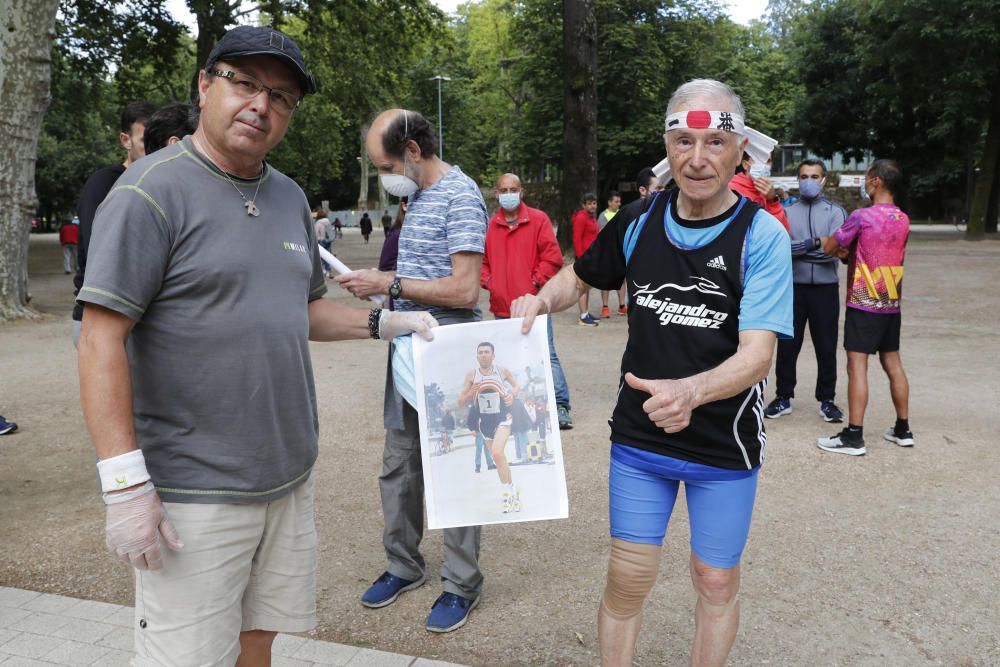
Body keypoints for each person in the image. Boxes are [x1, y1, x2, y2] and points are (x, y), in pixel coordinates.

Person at [76, 27, 435, 666]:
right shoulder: (148, 193)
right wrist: (125, 486)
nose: (261, 105)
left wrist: (388, 323)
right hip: (193, 491)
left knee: (258, 641)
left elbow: (301, 311)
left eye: (281, 96)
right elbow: (100, 338)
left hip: (286, 476)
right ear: (205, 85)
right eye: (245, 83)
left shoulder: (288, 197)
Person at [511, 78, 792, 666]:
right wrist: (541, 299)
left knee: (715, 581)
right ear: (666, 145)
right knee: (628, 580)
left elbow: (758, 354)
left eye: (714, 142)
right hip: (640, 441)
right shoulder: (639, 219)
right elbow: (582, 275)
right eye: (683, 141)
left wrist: (691, 391)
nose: (697, 159)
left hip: (723, 443)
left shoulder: (761, 235)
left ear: (740, 149)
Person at [336, 108, 488, 633]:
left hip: (448, 350)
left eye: (384, 165)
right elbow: (420, 272)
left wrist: (389, 285)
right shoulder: (417, 196)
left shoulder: (462, 195)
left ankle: (461, 582)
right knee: (398, 465)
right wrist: (378, 279)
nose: (383, 176)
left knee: (454, 469)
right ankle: (404, 565)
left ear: (414, 152)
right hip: (408, 345)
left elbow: (465, 289)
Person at [817, 159, 913, 456]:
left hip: (864, 300)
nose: (865, 182)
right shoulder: (904, 219)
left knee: (857, 366)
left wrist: (830, 244)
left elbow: (831, 247)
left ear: (877, 182)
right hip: (890, 302)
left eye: (868, 177)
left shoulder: (861, 216)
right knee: (893, 364)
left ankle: (854, 435)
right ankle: (903, 428)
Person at [482, 172, 573, 429]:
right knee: (508, 359)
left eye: (513, 189)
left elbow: (552, 257)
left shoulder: (538, 220)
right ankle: (517, 410)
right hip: (502, 307)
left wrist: (534, 284)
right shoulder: (490, 225)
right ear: (496, 194)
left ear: (522, 192)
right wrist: (491, 283)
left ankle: (560, 404)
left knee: (546, 354)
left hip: (533, 304)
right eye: (503, 190)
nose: (508, 194)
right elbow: (482, 263)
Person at [764, 159, 847, 423]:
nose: (808, 180)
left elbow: (836, 251)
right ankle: (783, 397)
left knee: (826, 346)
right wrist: (815, 244)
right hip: (792, 289)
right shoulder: (786, 212)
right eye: (803, 176)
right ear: (797, 179)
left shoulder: (836, 212)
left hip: (825, 290)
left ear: (824, 179)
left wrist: (802, 251)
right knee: (788, 345)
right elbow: (781, 250)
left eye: (814, 176)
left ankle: (827, 400)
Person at [72, 101, 157, 346]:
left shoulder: (164, 183)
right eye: (144, 142)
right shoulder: (103, 184)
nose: (153, 151)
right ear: (125, 140)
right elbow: (99, 252)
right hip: (102, 317)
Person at [456, 342, 531, 513]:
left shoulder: (501, 371)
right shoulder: (471, 375)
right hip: (485, 422)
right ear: (477, 356)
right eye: (480, 352)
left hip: (503, 417)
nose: (483, 355)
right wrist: (470, 392)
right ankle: (512, 490)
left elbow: (516, 386)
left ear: (493, 355)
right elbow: (461, 401)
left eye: (486, 352)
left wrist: (512, 394)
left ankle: (505, 493)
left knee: (497, 453)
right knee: (499, 460)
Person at [729, 154, 790, 233]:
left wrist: (772, 201)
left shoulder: (768, 192)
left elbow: (782, 231)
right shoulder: (730, 189)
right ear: (745, 165)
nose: (764, 165)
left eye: (768, 161)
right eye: (759, 160)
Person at [571, 192, 600, 326]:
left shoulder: (591, 218)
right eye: (589, 203)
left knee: (587, 287)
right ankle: (583, 316)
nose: (592, 206)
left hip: (591, 257)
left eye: (594, 203)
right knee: (582, 287)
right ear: (584, 205)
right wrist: (580, 258)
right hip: (583, 258)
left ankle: (586, 312)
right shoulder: (581, 218)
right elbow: (577, 239)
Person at [598, 191, 626, 318]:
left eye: (619, 201)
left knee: (621, 280)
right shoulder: (603, 216)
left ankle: (622, 306)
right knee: (606, 280)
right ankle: (605, 307)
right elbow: (602, 235)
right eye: (616, 201)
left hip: (621, 252)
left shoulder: (622, 214)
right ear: (609, 202)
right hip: (608, 253)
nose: (618, 204)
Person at [314, 208, 334, 276]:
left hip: (321, 241)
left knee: (321, 257)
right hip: (328, 240)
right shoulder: (328, 221)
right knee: (328, 256)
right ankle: (328, 270)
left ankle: (324, 270)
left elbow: (316, 233)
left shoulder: (318, 222)